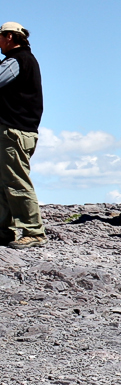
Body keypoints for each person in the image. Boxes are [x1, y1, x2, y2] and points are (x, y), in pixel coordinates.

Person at [0, 22, 45, 249]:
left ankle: (33, 231)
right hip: (18, 130)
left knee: (16, 181)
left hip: (13, 131)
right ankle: (3, 231)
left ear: (9, 37)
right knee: (4, 181)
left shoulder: (17, 60)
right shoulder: (24, 60)